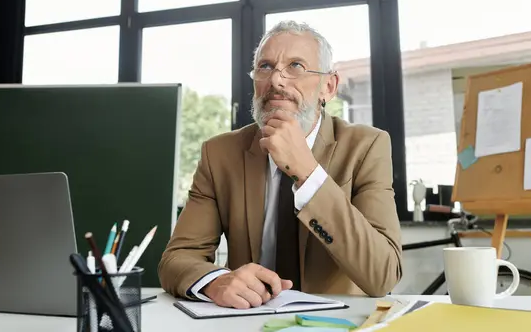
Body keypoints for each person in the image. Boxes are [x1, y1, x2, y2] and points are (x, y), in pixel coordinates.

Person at [158, 20, 402, 309]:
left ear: (329, 86)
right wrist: (215, 281)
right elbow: (177, 259)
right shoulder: (220, 153)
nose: (276, 81)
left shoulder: (366, 146)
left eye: (296, 66)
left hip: (335, 322)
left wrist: (308, 173)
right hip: (246, 319)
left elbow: (383, 275)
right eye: (265, 66)